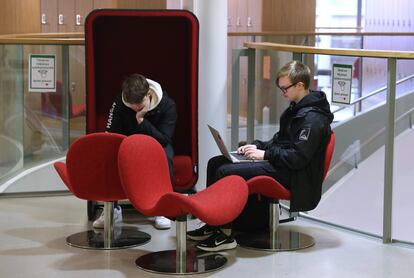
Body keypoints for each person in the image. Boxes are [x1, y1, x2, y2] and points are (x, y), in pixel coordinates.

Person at [187, 61, 334, 252]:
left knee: (226, 172)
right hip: (283, 164)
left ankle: (225, 234)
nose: (282, 93)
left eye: (284, 89)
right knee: (215, 163)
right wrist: (256, 146)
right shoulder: (296, 109)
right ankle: (213, 223)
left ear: (300, 85)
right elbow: (280, 141)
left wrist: (264, 154)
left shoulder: (313, 120)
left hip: (296, 176)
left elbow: (297, 158)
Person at [93, 73, 177, 230]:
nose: (137, 108)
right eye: (132, 106)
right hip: (128, 144)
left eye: (140, 104)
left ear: (148, 94)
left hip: (155, 144)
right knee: (108, 152)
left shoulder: (167, 105)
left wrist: (141, 120)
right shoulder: (120, 102)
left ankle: (162, 209)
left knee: (166, 154)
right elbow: (111, 132)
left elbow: (164, 139)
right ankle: (112, 208)